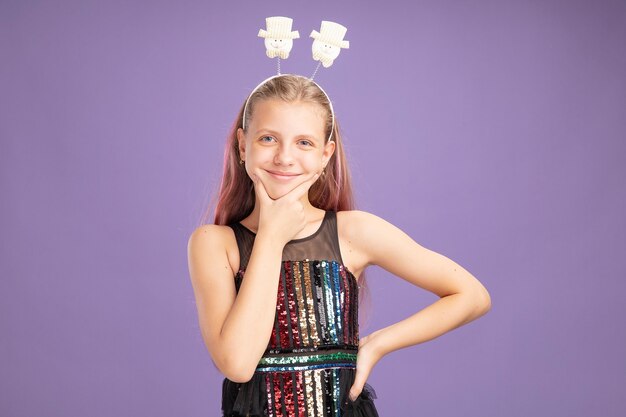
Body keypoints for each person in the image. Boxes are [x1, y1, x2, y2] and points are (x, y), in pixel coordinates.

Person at [187, 74, 492, 416]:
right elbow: (239, 364)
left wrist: (378, 344)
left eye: (304, 142)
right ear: (243, 146)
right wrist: (272, 236)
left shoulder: (353, 231)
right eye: (268, 138)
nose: (285, 157)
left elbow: (473, 296)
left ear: (325, 155)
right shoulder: (214, 244)